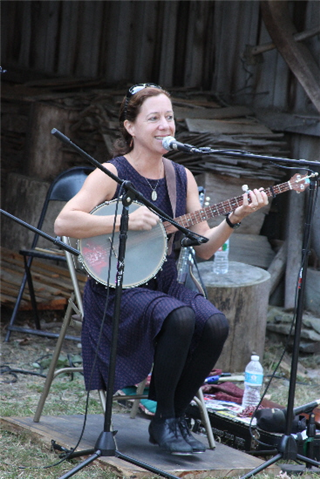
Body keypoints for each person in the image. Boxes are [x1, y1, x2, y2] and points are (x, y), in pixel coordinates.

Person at [54, 83, 268, 455]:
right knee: (181, 318)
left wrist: (234, 218)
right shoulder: (111, 173)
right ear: (130, 127)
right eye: (153, 118)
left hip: (164, 284)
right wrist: (122, 220)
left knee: (214, 323)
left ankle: (170, 416)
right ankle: (167, 419)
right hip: (118, 288)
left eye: (169, 117)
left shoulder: (180, 177)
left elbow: (204, 250)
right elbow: (64, 223)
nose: (164, 125)